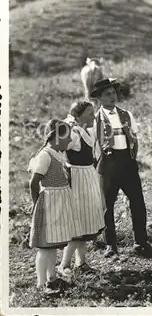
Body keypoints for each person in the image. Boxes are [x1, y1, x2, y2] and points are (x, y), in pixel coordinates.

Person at [91, 78, 152, 259]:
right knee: (107, 206)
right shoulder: (95, 118)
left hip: (127, 162)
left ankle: (141, 242)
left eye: (114, 93)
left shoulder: (127, 114)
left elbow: (134, 137)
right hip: (107, 163)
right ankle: (110, 245)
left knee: (137, 202)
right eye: (107, 95)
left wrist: (132, 158)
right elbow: (92, 144)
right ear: (99, 98)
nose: (112, 97)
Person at [28, 119, 79, 292]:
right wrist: (37, 206)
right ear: (57, 136)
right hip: (49, 204)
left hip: (58, 204)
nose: (70, 141)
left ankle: (52, 278)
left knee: (52, 245)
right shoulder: (45, 155)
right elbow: (34, 183)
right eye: (67, 137)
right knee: (45, 247)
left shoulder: (57, 153)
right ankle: (41, 284)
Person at [58, 100, 105, 276]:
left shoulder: (87, 132)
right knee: (77, 222)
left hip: (88, 176)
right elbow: (58, 145)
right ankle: (64, 264)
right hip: (77, 178)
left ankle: (81, 263)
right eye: (90, 113)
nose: (94, 116)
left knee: (84, 221)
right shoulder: (75, 134)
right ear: (78, 116)